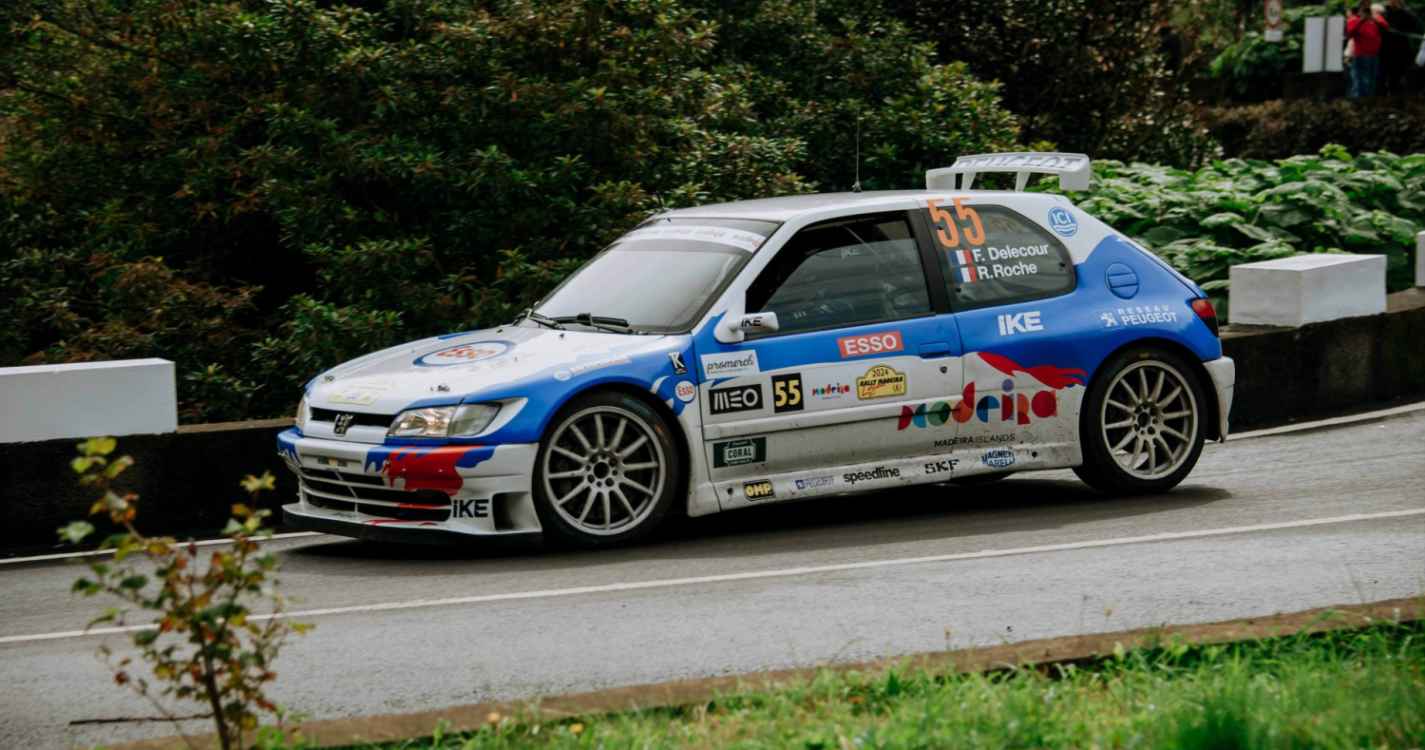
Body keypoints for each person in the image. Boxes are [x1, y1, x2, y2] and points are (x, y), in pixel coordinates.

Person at [1346, 0, 1390, 97]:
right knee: (1360, 81)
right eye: (1364, 4)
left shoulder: (1377, 18)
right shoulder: (1354, 19)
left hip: (1374, 54)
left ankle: (1369, 100)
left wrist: (1374, 20)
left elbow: (1386, 27)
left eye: (1368, 4)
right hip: (1361, 54)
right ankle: (1358, 100)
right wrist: (1361, 21)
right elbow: (1350, 32)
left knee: (1373, 80)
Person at [1381, 0, 1423, 94]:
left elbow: (1416, 24)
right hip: (1385, 50)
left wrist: (1400, 10)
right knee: (1383, 75)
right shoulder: (1385, 12)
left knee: (1399, 75)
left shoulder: (1407, 12)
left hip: (1402, 50)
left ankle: (1399, 93)